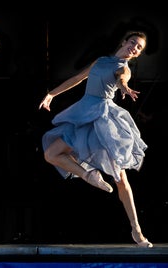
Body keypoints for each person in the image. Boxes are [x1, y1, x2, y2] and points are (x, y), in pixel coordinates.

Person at [38, 31, 153, 248]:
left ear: (138, 54)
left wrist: (124, 86)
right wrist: (52, 94)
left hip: (103, 120)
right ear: (124, 41)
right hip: (84, 113)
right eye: (133, 43)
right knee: (51, 153)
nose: (134, 48)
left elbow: (121, 77)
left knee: (121, 180)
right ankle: (88, 174)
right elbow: (77, 78)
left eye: (139, 48)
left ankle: (136, 230)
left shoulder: (123, 67)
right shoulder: (101, 61)